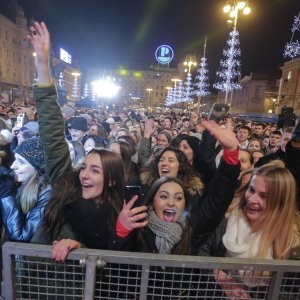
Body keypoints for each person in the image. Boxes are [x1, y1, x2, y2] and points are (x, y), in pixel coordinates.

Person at [27, 22, 128, 261]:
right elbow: (53, 135)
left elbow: (114, 257)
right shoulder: (66, 187)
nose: (84, 175)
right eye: (84, 167)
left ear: (111, 178)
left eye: (94, 170)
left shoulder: (116, 215)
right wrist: (43, 66)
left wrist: (81, 246)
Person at [115, 118, 241, 256]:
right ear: (153, 200)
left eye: (178, 198)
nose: (170, 203)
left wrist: (231, 154)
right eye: (163, 196)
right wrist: (122, 231)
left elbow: (218, 198)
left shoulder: (192, 228)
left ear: (186, 203)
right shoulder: (139, 227)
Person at [198, 160, 300, 298]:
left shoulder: (292, 241)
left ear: (280, 203)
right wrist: (219, 275)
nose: (252, 199)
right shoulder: (229, 218)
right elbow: (202, 251)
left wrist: (258, 294)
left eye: (263, 196)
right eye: (251, 190)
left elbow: (293, 292)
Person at [0, 137, 51, 241]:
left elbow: (22, 237)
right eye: (15, 159)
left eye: (21, 162)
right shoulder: (17, 183)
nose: (13, 166)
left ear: (38, 167)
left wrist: (6, 196)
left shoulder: (47, 193)